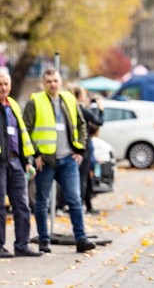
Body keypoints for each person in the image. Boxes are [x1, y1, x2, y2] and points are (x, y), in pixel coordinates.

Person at [22, 68, 95, 254]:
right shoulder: (35, 101)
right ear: (43, 83)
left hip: (67, 160)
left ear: (60, 82)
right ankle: (44, 241)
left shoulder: (69, 99)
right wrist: (35, 155)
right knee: (42, 202)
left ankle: (81, 239)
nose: (53, 84)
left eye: (55, 80)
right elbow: (26, 131)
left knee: (75, 200)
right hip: (45, 162)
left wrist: (79, 148)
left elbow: (81, 124)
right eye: (49, 81)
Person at [0, 71, 42, 257]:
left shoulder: (14, 105)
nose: (3, 88)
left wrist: (27, 161)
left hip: (16, 160)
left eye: (6, 84)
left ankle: (22, 244)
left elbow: (22, 135)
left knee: (22, 205)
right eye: (0, 84)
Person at [71, 86, 103, 214]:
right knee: (83, 177)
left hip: (75, 145)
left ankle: (87, 205)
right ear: (80, 96)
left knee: (85, 176)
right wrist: (100, 109)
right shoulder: (81, 110)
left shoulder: (70, 109)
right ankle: (80, 206)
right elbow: (98, 121)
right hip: (84, 146)